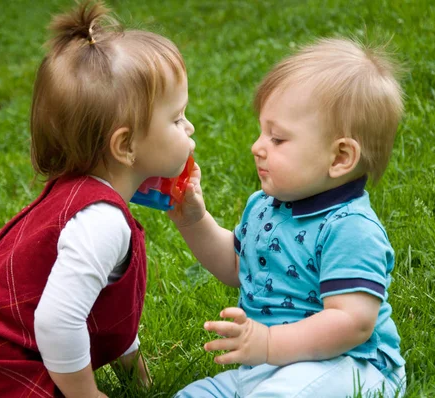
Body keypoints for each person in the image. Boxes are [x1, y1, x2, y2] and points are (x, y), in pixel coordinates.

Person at [0, 2, 195, 397]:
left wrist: (137, 377)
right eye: (177, 118)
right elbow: (58, 321)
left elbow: (106, 303)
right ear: (125, 145)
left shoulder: (83, 196)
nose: (189, 126)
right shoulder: (102, 222)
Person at [170, 38, 406, 397]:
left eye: (278, 139)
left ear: (341, 157)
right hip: (266, 366)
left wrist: (268, 342)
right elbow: (235, 267)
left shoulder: (350, 227)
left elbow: (352, 323)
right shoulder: (263, 205)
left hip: (349, 366)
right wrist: (193, 220)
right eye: (263, 131)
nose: (257, 146)